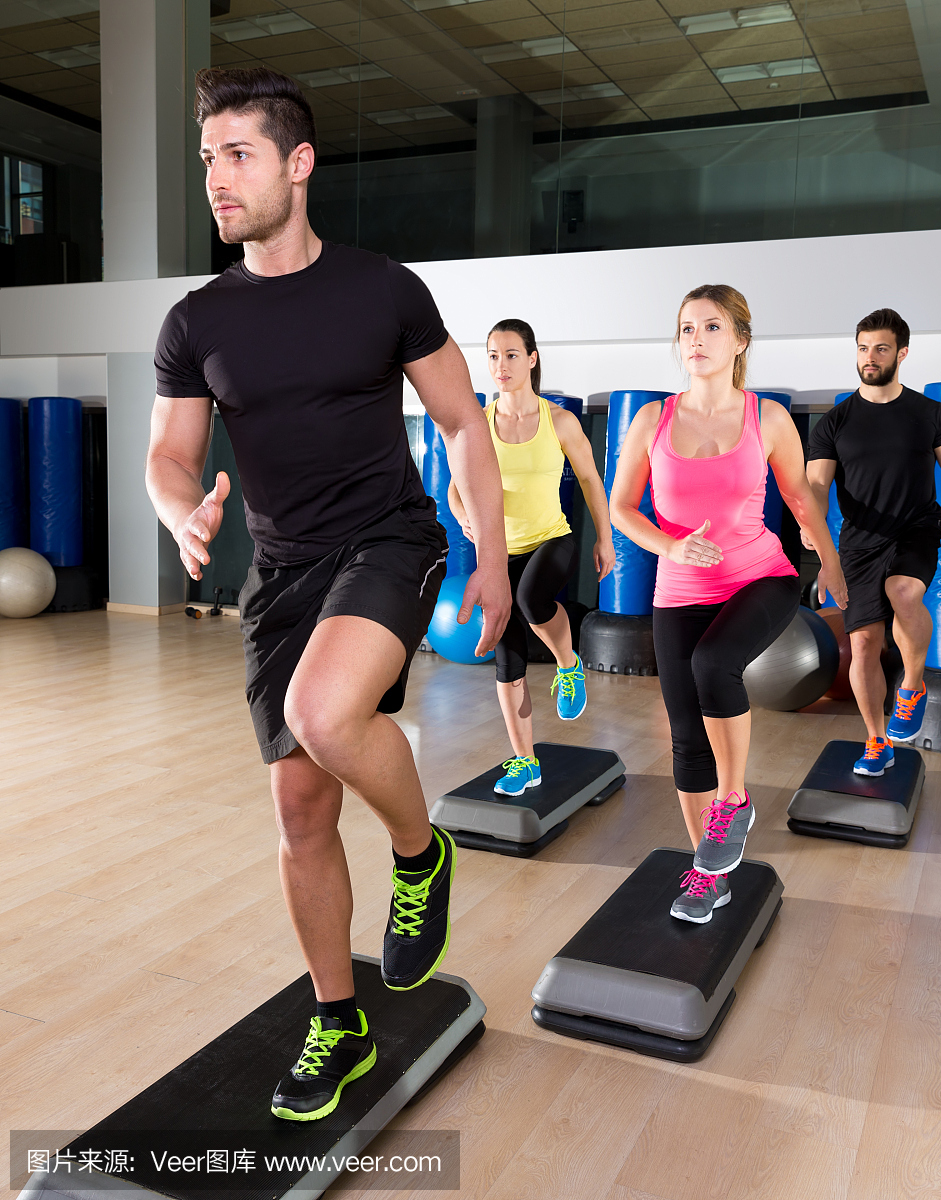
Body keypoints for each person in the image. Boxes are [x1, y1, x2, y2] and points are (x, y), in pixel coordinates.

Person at [146, 67, 509, 1123]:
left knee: (321, 711)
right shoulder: (196, 320)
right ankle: (338, 1020)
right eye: (208, 159)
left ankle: (419, 854)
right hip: (282, 572)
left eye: (238, 155)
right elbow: (168, 457)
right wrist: (182, 513)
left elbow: (463, 422)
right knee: (301, 809)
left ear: (298, 164)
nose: (217, 178)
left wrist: (491, 557)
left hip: (388, 539)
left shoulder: (383, 289)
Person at [610, 284, 847, 923]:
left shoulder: (767, 419)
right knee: (686, 740)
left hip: (760, 575)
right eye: (687, 328)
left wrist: (830, 561)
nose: (696, 339)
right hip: (680, 588)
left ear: (740, 340)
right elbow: (621, 507)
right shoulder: (652, 419)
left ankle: (734, 799)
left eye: (712, 327)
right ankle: (706, 872)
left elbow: (799, 496)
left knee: (714, 664)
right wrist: (670, 546)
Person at [804, 308, 941, 775]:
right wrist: (814, 530)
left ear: (901, 353)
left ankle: (912, 685)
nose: (870, 356)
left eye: (881, 348)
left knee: (903, 591)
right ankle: (876, 740)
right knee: (864, 644)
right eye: (863, 348)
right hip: (859, 542)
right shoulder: (834, 422)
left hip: (915, 528)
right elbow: (817, 484)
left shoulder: (930, 414)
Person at [447, 320, 616, 795]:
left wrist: (604, 538)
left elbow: (590, 479)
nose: (500, 365)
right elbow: (455, 490)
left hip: (551, 539)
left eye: (511, 354)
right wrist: (462, 516)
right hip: (498, 552)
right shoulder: (478, 425)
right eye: (493, 356)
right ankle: (526, 762)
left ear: (532, 358)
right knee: (508, 658)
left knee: (529, 598)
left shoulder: (559, 421)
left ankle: (567, 663)